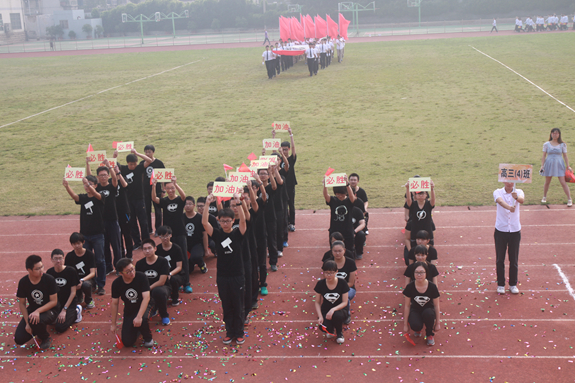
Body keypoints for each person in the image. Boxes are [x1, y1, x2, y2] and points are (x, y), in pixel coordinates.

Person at [202, 193, 247, 345]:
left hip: (237, 275)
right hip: (222, 276)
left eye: (228, 221)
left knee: (238, 304)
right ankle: (229, 332)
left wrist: (238, 202)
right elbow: (204, 223)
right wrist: (207, 204)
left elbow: (243, 222)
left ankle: (239, 332)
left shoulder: (237, 234)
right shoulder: (217, 234)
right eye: (222, 221)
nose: (225, 223)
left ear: (232, 221)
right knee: (226, 304)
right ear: (219, 221)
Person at [62, 176, 106, 295]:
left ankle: (101, 284)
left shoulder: (100, 196)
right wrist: (67, 186)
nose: (87, 187)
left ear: (96, 185)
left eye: (90, 184)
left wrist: (89, 185)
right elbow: (75, 197)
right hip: (85, 235)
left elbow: (97, 195)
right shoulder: (83, 197)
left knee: (100, 260)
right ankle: (91, 283)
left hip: (98, 234)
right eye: (86, 185)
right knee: (86, 260)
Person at [152, 176, 191, 293]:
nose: (170, 190)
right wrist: (154, 185)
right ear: (165, 188)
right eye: (168, 188)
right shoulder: (164, 201)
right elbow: (154, 198)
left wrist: (176, 184)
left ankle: (187, 283)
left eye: (172, 188)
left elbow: (184, 196)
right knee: (172, 258)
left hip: (180, 233)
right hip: (168, 234)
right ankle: (176, 281)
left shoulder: (179, 200)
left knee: (184, 257)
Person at [86, 159, 122, 275]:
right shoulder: (96, 188)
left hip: (113, 220)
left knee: (116, 245)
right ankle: (108, 266)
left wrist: (109, 166)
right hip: (101, 222)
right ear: (98, 177)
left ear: (108, 176)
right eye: (100, 175)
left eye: (105, 175)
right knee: (105, 245)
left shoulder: (112, 186)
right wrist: (87, 164)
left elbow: (115, 179)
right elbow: (88, 178)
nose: (103, 177)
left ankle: (118, 267)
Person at [15, 255, 58, 350]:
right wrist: (27, 323)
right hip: (33, 310)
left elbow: (54, 302)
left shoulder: (49, 279)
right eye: (38, 268)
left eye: (42, 267)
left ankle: (45, 337)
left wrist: (38, 311)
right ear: (29, 270)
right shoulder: (23, 282)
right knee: (19, 339)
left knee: (35, 320)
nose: (41, 270)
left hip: (50, 310)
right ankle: (37, 328)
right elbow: (22, 303)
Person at [110, 258, 153, 348]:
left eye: (132, 269)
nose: (132, 272)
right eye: (128, 271)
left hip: (144, 304)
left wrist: (139, 317)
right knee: (127, 342)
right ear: (121, 273)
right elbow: (114, 303)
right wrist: (113, 324)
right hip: (130, 309)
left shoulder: (141, 277)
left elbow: (146, 297)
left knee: (142, 319)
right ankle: (137, 329)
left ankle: (148, 337)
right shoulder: (116, 284)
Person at [115, 149, 153, 250]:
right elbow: (113, 166)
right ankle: (137, 242)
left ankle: (146, 241)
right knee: (132, 222)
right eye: (131, 164)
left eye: (135, 163)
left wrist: (137, 153)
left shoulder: (139, 168)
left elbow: (149, 160)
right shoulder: (123, 169)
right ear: (127, 163)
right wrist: (115, 156)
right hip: (128, 201)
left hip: (140, 199)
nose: (133, 166)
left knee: (143, 222)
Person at [493, 181, 525, 294]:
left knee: (514, 259)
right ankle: (501, 284)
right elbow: (499, 201)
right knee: (500, 259)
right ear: (503, 181)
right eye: (507, 180)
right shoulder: (498, 192)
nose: (509, 183)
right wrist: (508, 207)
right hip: (501, 230)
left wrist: (516, 198)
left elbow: (522, 200)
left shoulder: (519, 191)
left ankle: (513, 284)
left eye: (512, 181)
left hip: (515, 231)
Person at [402, 262, 441, 346]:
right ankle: (418, 329)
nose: (419, 275)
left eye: (422, 272)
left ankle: (429, 334)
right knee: (415, 325)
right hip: (415, 310)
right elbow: (407, 305)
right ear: (413, 274)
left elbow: (436, 305)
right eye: (417, 272)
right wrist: (405, 325)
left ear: (426, 273)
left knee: (429, 314)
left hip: (428, 310)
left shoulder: (432, 287)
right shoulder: (410, 287)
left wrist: (437, 323)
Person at [135, 239, 171, 325]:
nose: (147, 251)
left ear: (155, 248)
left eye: (149, 248)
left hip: (162, 287)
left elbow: (162, 282)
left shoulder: (163, 261)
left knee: (158, 291)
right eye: (145, 249)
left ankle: (164, 315)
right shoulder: (139, 264)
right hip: (146, 289)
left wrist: (147, 289)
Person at [314, 260, 349, 344]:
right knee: (323, 327)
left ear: (336, 272)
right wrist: (320, 316)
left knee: (337, 316)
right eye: (326, 273)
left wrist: (333, 309)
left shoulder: (342, 283)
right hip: (325, 309)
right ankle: (331, 328)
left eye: (331, 273)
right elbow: (317, 302)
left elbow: (345, 302)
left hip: (340, 310)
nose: (328, 275)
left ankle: (339, 332)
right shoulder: (320, 284)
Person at [46, 249, 82, 333]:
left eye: (60, 258)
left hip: (69, 302)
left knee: (60, 327)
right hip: (57, 303)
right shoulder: (49, 272)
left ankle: (76, 312)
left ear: (63, 259)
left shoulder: (71, 271)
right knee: (49, 321)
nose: (58, 261)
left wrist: (64, 310)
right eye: (55, 258)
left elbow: (73, 292)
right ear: (51, 259)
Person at [323, 175, 356, 254]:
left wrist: (347, 185)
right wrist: (325, 185)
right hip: (335, 229)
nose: (340, 196)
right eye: (338, 195)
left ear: (346, 193)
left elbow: (352, 197)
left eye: (342, 195)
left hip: (347, 229)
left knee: (349, 249)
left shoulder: (349, 200)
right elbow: (325, 195)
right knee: (335, 249)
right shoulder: (333, 200)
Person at [540, 128, 572, 206]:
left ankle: (569, 199)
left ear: (559, 135)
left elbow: (565, 156)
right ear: (551, 134)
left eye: (556, 133)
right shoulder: (546, 144)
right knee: (547, 182)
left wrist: (568, 166)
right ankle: (544, 197)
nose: (555, 134)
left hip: (559, 164)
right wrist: (542, 166)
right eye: (553, 133)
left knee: (563, 182)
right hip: (549, 163)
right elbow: (544, 156)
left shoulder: (563, 144)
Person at [65, 232, 97, 309]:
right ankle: (79, 296)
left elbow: (92, 273)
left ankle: (89, 300)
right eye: (74, 244)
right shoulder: (69, 256)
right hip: (75, 280)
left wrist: (82, 280)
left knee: (86, 285)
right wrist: (74, 282)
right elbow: (67, 272)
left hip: (87, 279)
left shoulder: (89, 254)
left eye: (78, 243)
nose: (77, 246)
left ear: (83, 242)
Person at [404, 180, 436, 255]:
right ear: (415, 195)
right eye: (418, 194)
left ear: (426, 195)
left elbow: (433, 200)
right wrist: (407, 188)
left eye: (423, 193)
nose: (421, 195)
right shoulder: (413, 204)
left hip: (427, 229)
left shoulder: (428, 205)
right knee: (415, 247)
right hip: (415, 229)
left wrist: (432, 189)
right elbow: (408, 200)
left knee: (428, 249)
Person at [155, 226, 185, 306]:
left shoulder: (177, 248)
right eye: (162, 236)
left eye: (167, 236)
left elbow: (179, 267)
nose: (165, 238)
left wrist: (170, 274)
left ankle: (175, 298)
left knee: (172, 279)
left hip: (175, 274)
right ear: (159, 237)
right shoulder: (157, 249)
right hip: (162, 273)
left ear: (171, 235)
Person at [276, 127, 297, 233]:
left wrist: (291, 134)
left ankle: (292, 223)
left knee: (291, 204)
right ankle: (285, 222)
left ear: (288, 149)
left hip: (290, 184)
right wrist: (273, 136)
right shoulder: (278, 160)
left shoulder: (291, 159)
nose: (283, 151)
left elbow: (294, 147)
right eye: (282, 149)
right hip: (281, 185)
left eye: (285, 149)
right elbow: (274, 152)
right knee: (283, 204)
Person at [330, 241, 356, 323]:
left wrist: (340, 290)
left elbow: (351, 283)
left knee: (344, 297)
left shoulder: (351, 262)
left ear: (344, 250)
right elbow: (326, 279)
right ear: (332, 251)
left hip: (348, 288)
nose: (337, 253)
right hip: (332, 287)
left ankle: (347, 314)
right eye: (335, 251)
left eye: (340, 251)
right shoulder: (329, 263)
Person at [142, 145, 165, 236]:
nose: (147, 153)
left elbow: (163, 177)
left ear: (153, 152)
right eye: (146, 152)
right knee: (146, 210)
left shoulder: (158, 163)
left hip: (157, 190)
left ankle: (158, 229)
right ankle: (149, 229)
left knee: (158, 210)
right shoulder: (142, 163)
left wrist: (163, 189)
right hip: (146, 190)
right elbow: (141, 177)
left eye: (149, 152)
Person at [183, 196, 209, 275]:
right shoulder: (181, 217)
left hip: (197, 244)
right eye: (185, 204)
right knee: (189, 270)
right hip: (185, 244)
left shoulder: (200, 217)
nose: (187, 206)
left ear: (194, 205)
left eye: (190, 204)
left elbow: (204, 234)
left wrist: (205, 249)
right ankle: (191, 263)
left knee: (196, 257)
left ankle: (202, 265)